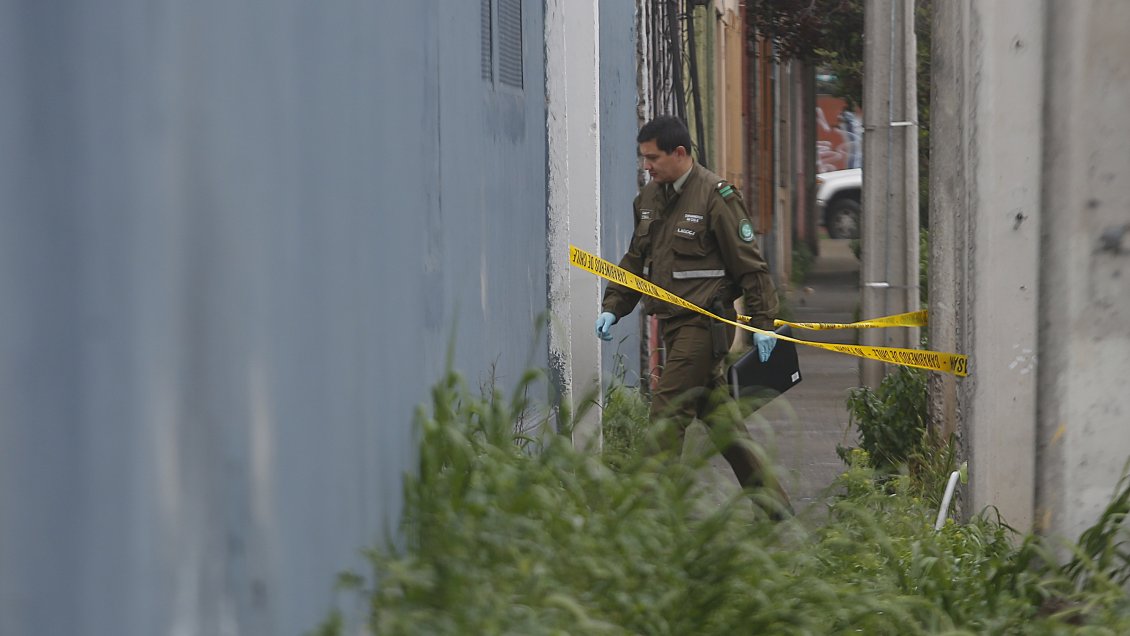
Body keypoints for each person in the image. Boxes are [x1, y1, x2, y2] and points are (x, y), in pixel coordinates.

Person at [594, 115, 790, 514]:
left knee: (667, 413)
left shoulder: (716, 197)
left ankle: (647, 514)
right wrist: (613, 306)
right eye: (643, 159)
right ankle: (776, 508)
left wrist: (764, 325)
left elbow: (750, 266)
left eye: (653, 158)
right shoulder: (649, 199)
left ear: (679, 153)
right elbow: (636, 261)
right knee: (722, 424)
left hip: (704, 325)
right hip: (671, 323)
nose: (646, 166)